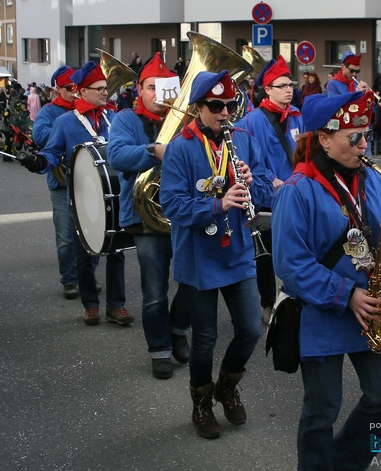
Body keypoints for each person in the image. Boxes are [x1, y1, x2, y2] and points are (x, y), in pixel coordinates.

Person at [273, 90, 381, 470]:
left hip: (372, 307)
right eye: (354, 137)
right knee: (323, 409)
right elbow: (291, 265)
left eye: (365, 135)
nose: (363, 144)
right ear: (324, 138)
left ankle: (342, 464)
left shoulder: (370, 177)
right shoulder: (297, 190)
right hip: (323, 311)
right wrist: (346, 295)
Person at [158, 70, 271, 439]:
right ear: (197, 108)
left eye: (230, 105)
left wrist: (249, 182)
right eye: (216, 106)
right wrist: (217, 204)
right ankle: (202, 402)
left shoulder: (239, 140)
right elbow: (171, 204)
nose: (225, 113)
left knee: (251, 329)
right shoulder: (181, 147)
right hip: (199, 255)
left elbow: (258, 183)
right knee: (204, 337)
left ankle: (227, 386)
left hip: (236, 250)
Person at [22, 62, 133, 327]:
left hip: (115, 194)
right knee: (85, 251)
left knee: (117, 251)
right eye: (100, 89)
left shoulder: (113, 117)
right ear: (82, 91)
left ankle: (116, 305)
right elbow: (51, 153)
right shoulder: (65, 122)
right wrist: (39, 162)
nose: (106, 93)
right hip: (82, 195)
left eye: (106, 88)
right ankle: (91, 305)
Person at [107, 52, 191, 379]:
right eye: (151, 88)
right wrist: (153, 151)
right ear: (139, 90)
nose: (157, 94)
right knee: (155, 291)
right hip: (145, 219)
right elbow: (116, 156)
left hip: (182, 214)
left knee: (190, 282)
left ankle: (178, 330)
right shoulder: (127, 119)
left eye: (163, 88)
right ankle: (159, 350)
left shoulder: (185, 118)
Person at [236, 55, 305, 320]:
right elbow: (250, 158)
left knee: (294, 249)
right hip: (267, 196)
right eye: (283, 86)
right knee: (264, 254)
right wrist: (269, 178)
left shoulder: (297, 116)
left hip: (295, 195)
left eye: (291, 84)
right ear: (268, 89)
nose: (289, 90)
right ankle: (266, 303)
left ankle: (293, 298)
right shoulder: (252, 121)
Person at [31, 65, 79, 299]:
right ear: (58, 89)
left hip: (84, 180)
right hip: (60, 182)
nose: (74, 92)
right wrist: (67, 131)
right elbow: (38, 135)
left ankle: (85, 276)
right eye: (69, 88)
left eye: (76, 87)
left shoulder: (84, 109)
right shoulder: (50, 111)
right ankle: (69, 279)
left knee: (88, 232)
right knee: (65, 236)